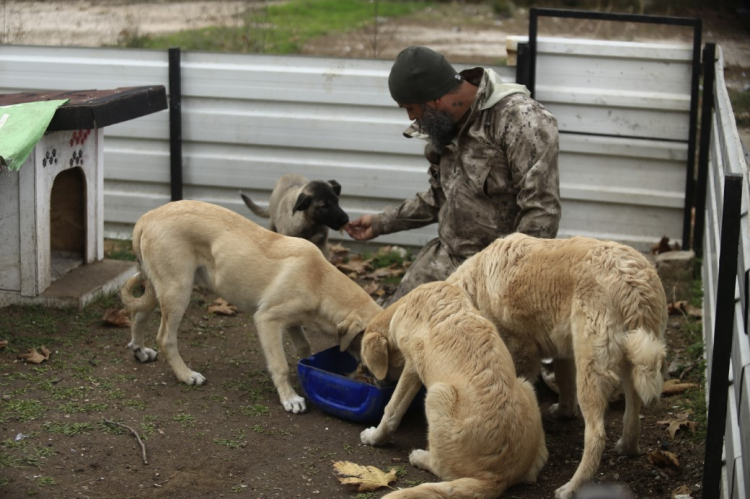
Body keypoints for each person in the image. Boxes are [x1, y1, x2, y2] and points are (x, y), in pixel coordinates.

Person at [345, 46, 561, 307]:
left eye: (411, 108)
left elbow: (542, 212)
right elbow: (440, 196)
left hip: (498, 271)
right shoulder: (445, 126)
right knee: (384, 330)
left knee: (468, 344)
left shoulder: (521, 121)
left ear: (434, 100)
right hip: (447, 257)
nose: (411, 117)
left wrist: (510, 282)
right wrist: (381, 223)